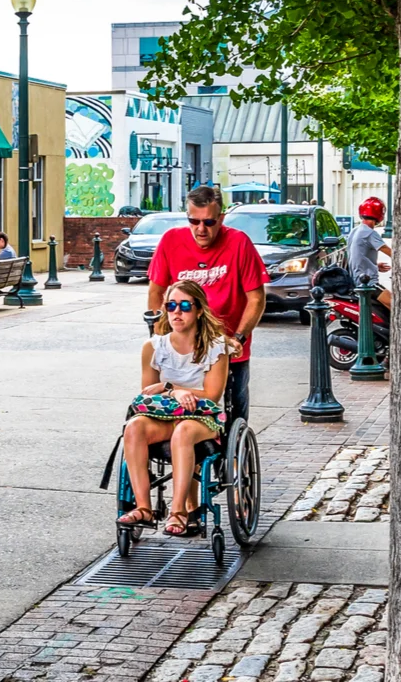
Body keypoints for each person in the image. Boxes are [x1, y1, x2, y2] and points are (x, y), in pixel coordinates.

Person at [146, 184, 267, 427]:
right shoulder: (171, 241)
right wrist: (160, 331)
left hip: (226, 345)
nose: (201, 229)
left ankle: (233, 460)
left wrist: (239, 339)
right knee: (168, 405)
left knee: (234, 414)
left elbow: (256, 298)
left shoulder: (239, 243)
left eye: (209, 222)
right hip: (183, 345)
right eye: (194, 221)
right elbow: (156, 290)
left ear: (221, 218)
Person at [118, 279, 231, 537]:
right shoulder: (154, 347)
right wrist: (173, 392)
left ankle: (179, 510)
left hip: (202, 417)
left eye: (184, 306)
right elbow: (148, 394)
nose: (176, 312)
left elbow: (212, 395)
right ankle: (144, 508)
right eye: (171, 305)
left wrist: (171, 386)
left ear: (199, 310)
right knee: (134, 427)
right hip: (165, 413)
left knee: (183, 433)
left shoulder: (216, 347)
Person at [348, 196, 393, 311]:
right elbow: (390, 252)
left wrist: (375, 266)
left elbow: (356, 256)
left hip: (356, 279)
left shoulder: (355, 231)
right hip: (368, 283)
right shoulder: (369, 233)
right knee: (394, 304)